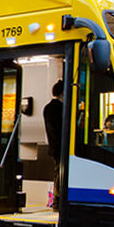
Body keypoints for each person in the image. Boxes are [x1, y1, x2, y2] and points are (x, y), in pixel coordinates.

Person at [43, 79, 64, 211]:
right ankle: (58, 201)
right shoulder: (60, 108)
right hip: (61, 147)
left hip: (53, 147)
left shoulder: (47, 108)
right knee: (61, 174)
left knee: (57, 173)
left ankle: (57, 201)